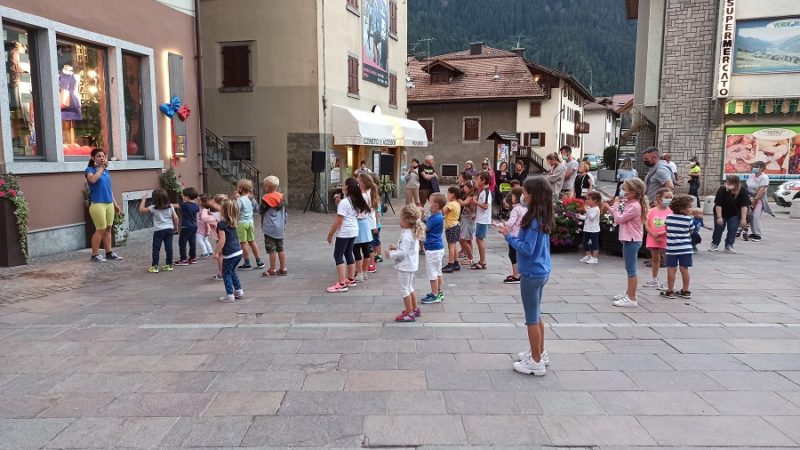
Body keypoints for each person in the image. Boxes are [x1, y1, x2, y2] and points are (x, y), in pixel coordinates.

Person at [498, 177, 554, 376]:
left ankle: (536, 362)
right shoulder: (542, 215)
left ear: (533, 195)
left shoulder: (533, 220)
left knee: (531, 318)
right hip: (541, 270)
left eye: (526, 191)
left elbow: (527, 249)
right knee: (537, 314)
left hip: (531, 272)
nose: (523, 194)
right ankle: (539, 352)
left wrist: (508, 236)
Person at [602, 178, 648, 308]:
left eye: (625, 189)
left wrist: (614, 205)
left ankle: (632, 298)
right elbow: (620, 214)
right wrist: (611, 206)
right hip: (628, 239)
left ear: (633, 192)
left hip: (632, 240)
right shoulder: (630, 203)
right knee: (629, 268)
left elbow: (619, 218)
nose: (623, 191)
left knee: (631, 270)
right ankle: (629, 292)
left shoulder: (634, 206)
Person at [326, 178, 369, 293]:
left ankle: (341, 283)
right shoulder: (354, 200)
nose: (342, 187)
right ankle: (350, 279)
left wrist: (330, 234)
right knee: (348, 252)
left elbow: (338, 221)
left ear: (347, 188)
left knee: (338, 255)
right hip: (354, 230)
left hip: (344, 231)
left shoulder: (345, 202)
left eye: (344, 185)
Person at [387, 204, 426, 322]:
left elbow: (403, 252)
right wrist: (396, 247)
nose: (399, 221)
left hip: (405, 266)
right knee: (409, 287)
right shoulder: (411, 232)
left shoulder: (407, 235)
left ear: (406, 220)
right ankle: (414, 309)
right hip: (411, 265)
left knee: (404, 289)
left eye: (400, 218)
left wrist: (390, 254)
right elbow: (407, 249)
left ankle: (409, 313)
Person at [84, 148, 123, 262]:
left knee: (108, 229)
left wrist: (115, 204)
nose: (102, 158)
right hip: (97, 204)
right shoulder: (89, 169)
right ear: (93, 158)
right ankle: (95, 254)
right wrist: (101, 168)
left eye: (103, 156)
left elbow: (109, 190)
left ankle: (109, 252)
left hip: (109, 203)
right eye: (99, 156)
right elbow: (92, 180)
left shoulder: (106, 172)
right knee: (100, 229)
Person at [661, 194, 696, 300]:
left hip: (672, 249)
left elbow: (667, 229)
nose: (691, 209)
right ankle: (685, 290)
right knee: (684, 269)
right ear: (681, 208)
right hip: (686, 249)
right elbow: (691, 231)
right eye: (689, 207)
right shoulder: (688, 220)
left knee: (671, 269)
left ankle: (670, 290)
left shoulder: (668, 218)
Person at [139, 188, 178, 273]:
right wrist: (176, 227)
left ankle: (155, 266)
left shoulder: (153, 208)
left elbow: (141, 210)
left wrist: (143, 199)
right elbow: (175, 218)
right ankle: (169, 265)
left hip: (158, 231)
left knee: (156, 249)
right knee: (169, 247)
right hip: (169, 229)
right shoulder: (170, 206)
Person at [215, 199, 245, 303]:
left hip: (230, 254)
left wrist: (216, 252)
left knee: (226, 274)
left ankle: (230, 295)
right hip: (238, 252)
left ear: (222, 210)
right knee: (232, 271)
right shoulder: (233, 222)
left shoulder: (222, 224)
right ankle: (239, 291)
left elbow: (222, 240)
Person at [710, 175, 750, 253]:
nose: (727, 184)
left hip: (734, 213)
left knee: (733, 228)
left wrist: (743, 219)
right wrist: (719, 217)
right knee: (719, 228)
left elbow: (744, 206)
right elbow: (718, 204)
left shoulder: (743, 191)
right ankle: (715, 243)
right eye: (727, 182)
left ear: (736, 183)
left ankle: (729, 245)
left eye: (730, 183)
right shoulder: (722, 189)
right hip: (721, 212)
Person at [644, 188, 673, 289]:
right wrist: (653, 235)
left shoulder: (671, 212)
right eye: (666, 197)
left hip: (666, 239)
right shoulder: (651, 211)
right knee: (655, 259)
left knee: (668, 260)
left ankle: (668, 281)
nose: (669, 199)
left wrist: (663, 232)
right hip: (653, 238)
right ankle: (654, 279)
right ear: (659, 198)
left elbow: (672, 225)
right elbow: (646, 224)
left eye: (670, 197)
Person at [259, 175, 288, 276]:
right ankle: (283, 268)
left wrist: (262, 224)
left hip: (269, 228)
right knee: (280, 248)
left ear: (267, 187)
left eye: (264, 185)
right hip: (280, 228)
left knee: (272, 250)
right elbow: (285, 212)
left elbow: (262, 212)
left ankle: (272, 269)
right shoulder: (281, 197)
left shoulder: (265, 199)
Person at [352, 172, 378, 282]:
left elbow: (354, 209)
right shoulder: (368, 194)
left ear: (362, 182)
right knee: (365, 248)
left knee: (356, 249)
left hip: (359, 222)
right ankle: (365, 271)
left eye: (358, 180)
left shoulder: (361, 195)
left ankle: (360, 272)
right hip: (366, 223)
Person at [421, 193, 446, 304]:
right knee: (438, 272)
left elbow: (424, 229)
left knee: (432, 274)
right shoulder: (437, 216)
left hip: (433, 249)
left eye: (430, 203)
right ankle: (438, 291)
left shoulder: (435, 218)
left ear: (436, 205)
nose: (428, 205)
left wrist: (418, 220)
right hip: (437, 248)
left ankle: (435, 295)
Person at [233, 179, 264, 270]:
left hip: (242, 223)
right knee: (252, 242)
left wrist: (235, 200)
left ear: (240, 189)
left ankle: (247, 263)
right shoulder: (251, 198)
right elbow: (257, 209)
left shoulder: (240, 199)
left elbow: (236, 211)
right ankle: (259, 262)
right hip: (250, 223)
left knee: (243, 244)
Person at [501, 186, 527, 283]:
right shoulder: (524, 208)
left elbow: (510, 223)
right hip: (520, 234)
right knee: (517, 254)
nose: (511, 197)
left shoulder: (515, 210)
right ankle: (518, 273)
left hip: (513, 235)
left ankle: (516, 275)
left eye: (513, 195)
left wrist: (499, 224)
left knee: (512, 254)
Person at [471, 172, 492, 270]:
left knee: (480, 239)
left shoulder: (486, 192)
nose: (476, 181)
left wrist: (475, 201)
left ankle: (483, 261)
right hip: (480, 219)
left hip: (484, 220)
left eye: (477, 179)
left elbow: (485, 206)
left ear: (483, 181)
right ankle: (481, 260)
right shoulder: (482, 191)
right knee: (478, 239)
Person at [745, 161, 770, 242]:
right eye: (753, 166)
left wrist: (755, 200)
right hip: (750, 197)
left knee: (756, 215)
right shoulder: (752, 175)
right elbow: (747, 186)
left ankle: (758, 234)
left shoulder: (764, 177)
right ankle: (753, 232)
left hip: (759, 198)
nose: (754, 168)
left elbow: (762, 190)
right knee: (750, 216)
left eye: (756, 167)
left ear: (762, 168)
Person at [174, 187, 200, 266]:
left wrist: (166, 204)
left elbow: (174, 206)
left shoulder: (184, 205)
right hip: (194, 226)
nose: (182, 196)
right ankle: (193, 258)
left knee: (182, 243)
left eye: (184, 195)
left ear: (188, 196)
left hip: (186, 227)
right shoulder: (196, 206)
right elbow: (197, 217)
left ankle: (183, 259)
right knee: (192, 242)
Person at [442, 186, 462, 273]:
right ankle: (456, 263)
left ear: (452, 195)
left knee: (451, 246)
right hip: (456, 225)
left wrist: (442, 203)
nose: (447, 195)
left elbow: (443, 211)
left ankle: (450, 264)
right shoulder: (457, 203)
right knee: (453, 246)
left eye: (448, 194)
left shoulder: (451, 204)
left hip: (451, 226)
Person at [579, 191, 602, 264]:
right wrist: (578, 216)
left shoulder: (596, 209)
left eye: (589, 199)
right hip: (587, 229)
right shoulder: (590, 208)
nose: (587, 201)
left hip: (594, 230)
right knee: (584, 242)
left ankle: (595, 258)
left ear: (595, 201)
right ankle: (588, 255)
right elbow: (587, 217)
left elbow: (591, 217)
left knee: (594, 243)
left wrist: (586, 209)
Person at [458, 180, 477, 266]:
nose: (464, 188)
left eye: (465, 186)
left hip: (468, 220)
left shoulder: (471, 196)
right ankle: (470, 256)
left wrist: (457, 198)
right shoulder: (468, 195)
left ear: (470, 188)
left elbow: (463, 203)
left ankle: (470, 257)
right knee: (468, 239)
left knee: (463, 239)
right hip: (466, 218)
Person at [209, 194, 226, 281]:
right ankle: (226, 270)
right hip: (228, 234)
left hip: (219, 235)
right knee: (226, 253)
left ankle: (221, 272)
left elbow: (205, 218)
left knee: (220, 254)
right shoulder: (227, 212)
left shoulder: (215, 214)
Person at [196, 194, 214, 259]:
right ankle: (210, 251)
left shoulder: (204, 209)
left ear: (203, 202)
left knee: (199, 239)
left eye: (198, 200)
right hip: (202, 227)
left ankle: (205, 253)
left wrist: (208, 230)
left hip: (202, 228)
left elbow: (207, 221)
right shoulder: (203, 208)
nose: (197, 202)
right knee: (205, 240)